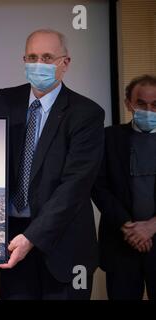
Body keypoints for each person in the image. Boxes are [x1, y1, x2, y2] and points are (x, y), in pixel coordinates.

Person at [0, 29, 105, 299]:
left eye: (47, 57)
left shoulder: (86, 113)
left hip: (64, 247)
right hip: (12, 239)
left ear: (65, 63)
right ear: (24, 60)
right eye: (32, 57)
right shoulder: (5, 100)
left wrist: (32, 237)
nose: (39, 64)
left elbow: (75, 186)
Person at [92, 74, 156, 300]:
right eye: (141, 103)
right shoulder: (108, 137)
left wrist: (151, 226)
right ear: (129, 104)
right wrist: (128, 226)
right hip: (121, 245)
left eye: (155, 105)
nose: (149, 110)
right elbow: (98, 187)